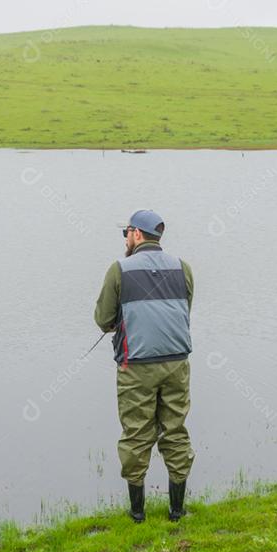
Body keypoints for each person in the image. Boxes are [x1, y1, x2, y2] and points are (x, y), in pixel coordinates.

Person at [94, 209, 194, 522]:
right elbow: (184, 310)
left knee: (136, 435)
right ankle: (177, 512)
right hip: (177, 363)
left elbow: (103, 320)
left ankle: (137, 514)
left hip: (136, 365)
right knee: (175, 432)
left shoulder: (119, 269)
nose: (125, 237)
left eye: (126, 232)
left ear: (137, 234)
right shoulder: (183, 267)